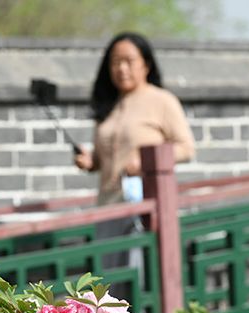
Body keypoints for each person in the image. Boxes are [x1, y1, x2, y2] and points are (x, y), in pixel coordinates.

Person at [74, 32, 195, 298]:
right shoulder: (109, 106)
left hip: (144, 208)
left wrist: (145, 162)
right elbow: (103, 159)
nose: (121, 68)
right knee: (107, 287)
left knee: (138, 285)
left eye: (129, 61)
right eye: (115, 62)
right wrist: (90, 160)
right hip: (107, 208)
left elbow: (186, 148)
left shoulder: (162, 101)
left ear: (146, 64)